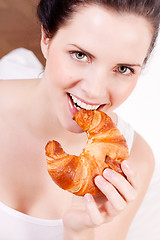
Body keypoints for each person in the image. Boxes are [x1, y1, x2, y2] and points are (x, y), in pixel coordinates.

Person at [0, 0, 160, 239]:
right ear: (46, 38)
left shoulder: (133, 160)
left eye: (124, 69)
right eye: (80, 55)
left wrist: (79, 231)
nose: (95, 91)